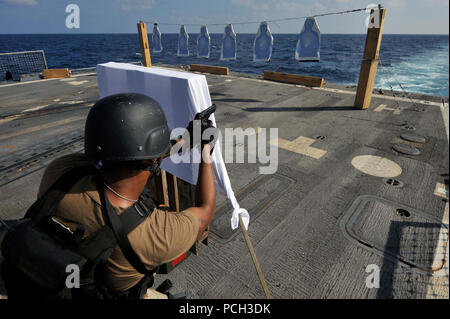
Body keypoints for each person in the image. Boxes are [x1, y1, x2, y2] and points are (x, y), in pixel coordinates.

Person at [2, 93, 217, 299]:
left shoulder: (61, 172)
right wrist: (206, 149)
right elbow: (205, 211)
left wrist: (185, 140)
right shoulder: (155, 235)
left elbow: (126, 154)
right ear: (151, 161)